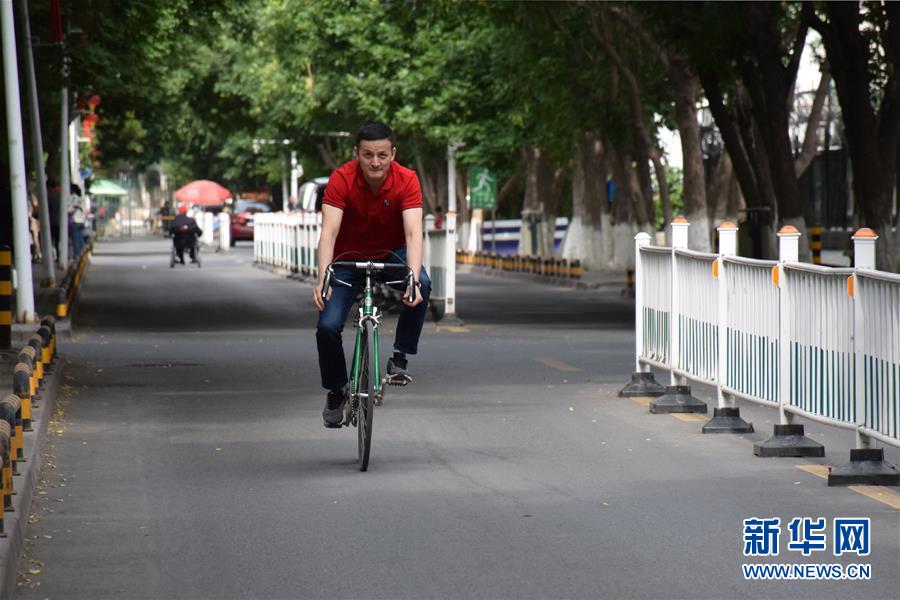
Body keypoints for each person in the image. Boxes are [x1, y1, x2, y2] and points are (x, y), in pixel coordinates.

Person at [312, 122, 431, 428]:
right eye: (367, 155)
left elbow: (414, 233)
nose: (375, 162)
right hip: (347, 258)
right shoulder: (341, 179)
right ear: (357, 154)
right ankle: (337, 391)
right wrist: (323, 275)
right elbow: (329, 233)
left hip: (392, 252)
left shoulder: (407, 180)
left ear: (393, 154)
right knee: (327, 327)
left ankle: (400, 356)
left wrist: (413, 278)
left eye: (382, 155)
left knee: (424, 283)